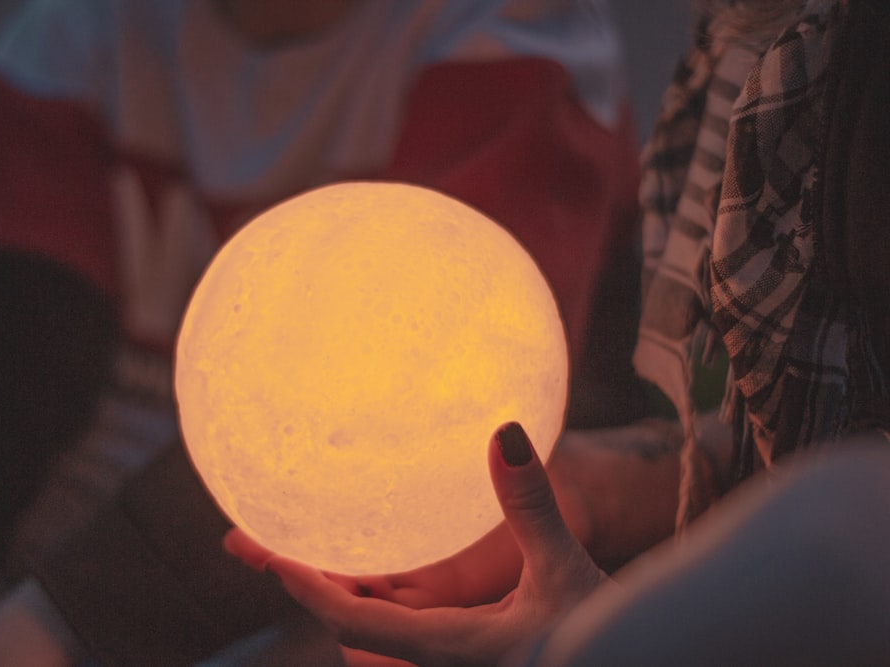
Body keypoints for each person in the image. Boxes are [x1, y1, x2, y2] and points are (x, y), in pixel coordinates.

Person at [0, 0, 652, 663]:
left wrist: (48, 626)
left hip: (375, 565)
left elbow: (402, 447)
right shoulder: (74, 37)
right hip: (95, 521)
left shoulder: (512, 35)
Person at [224, 0, 890, 664]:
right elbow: (838, 426)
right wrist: (598, 489)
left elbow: (851, 505)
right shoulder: (773, 38)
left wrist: (585, 650)